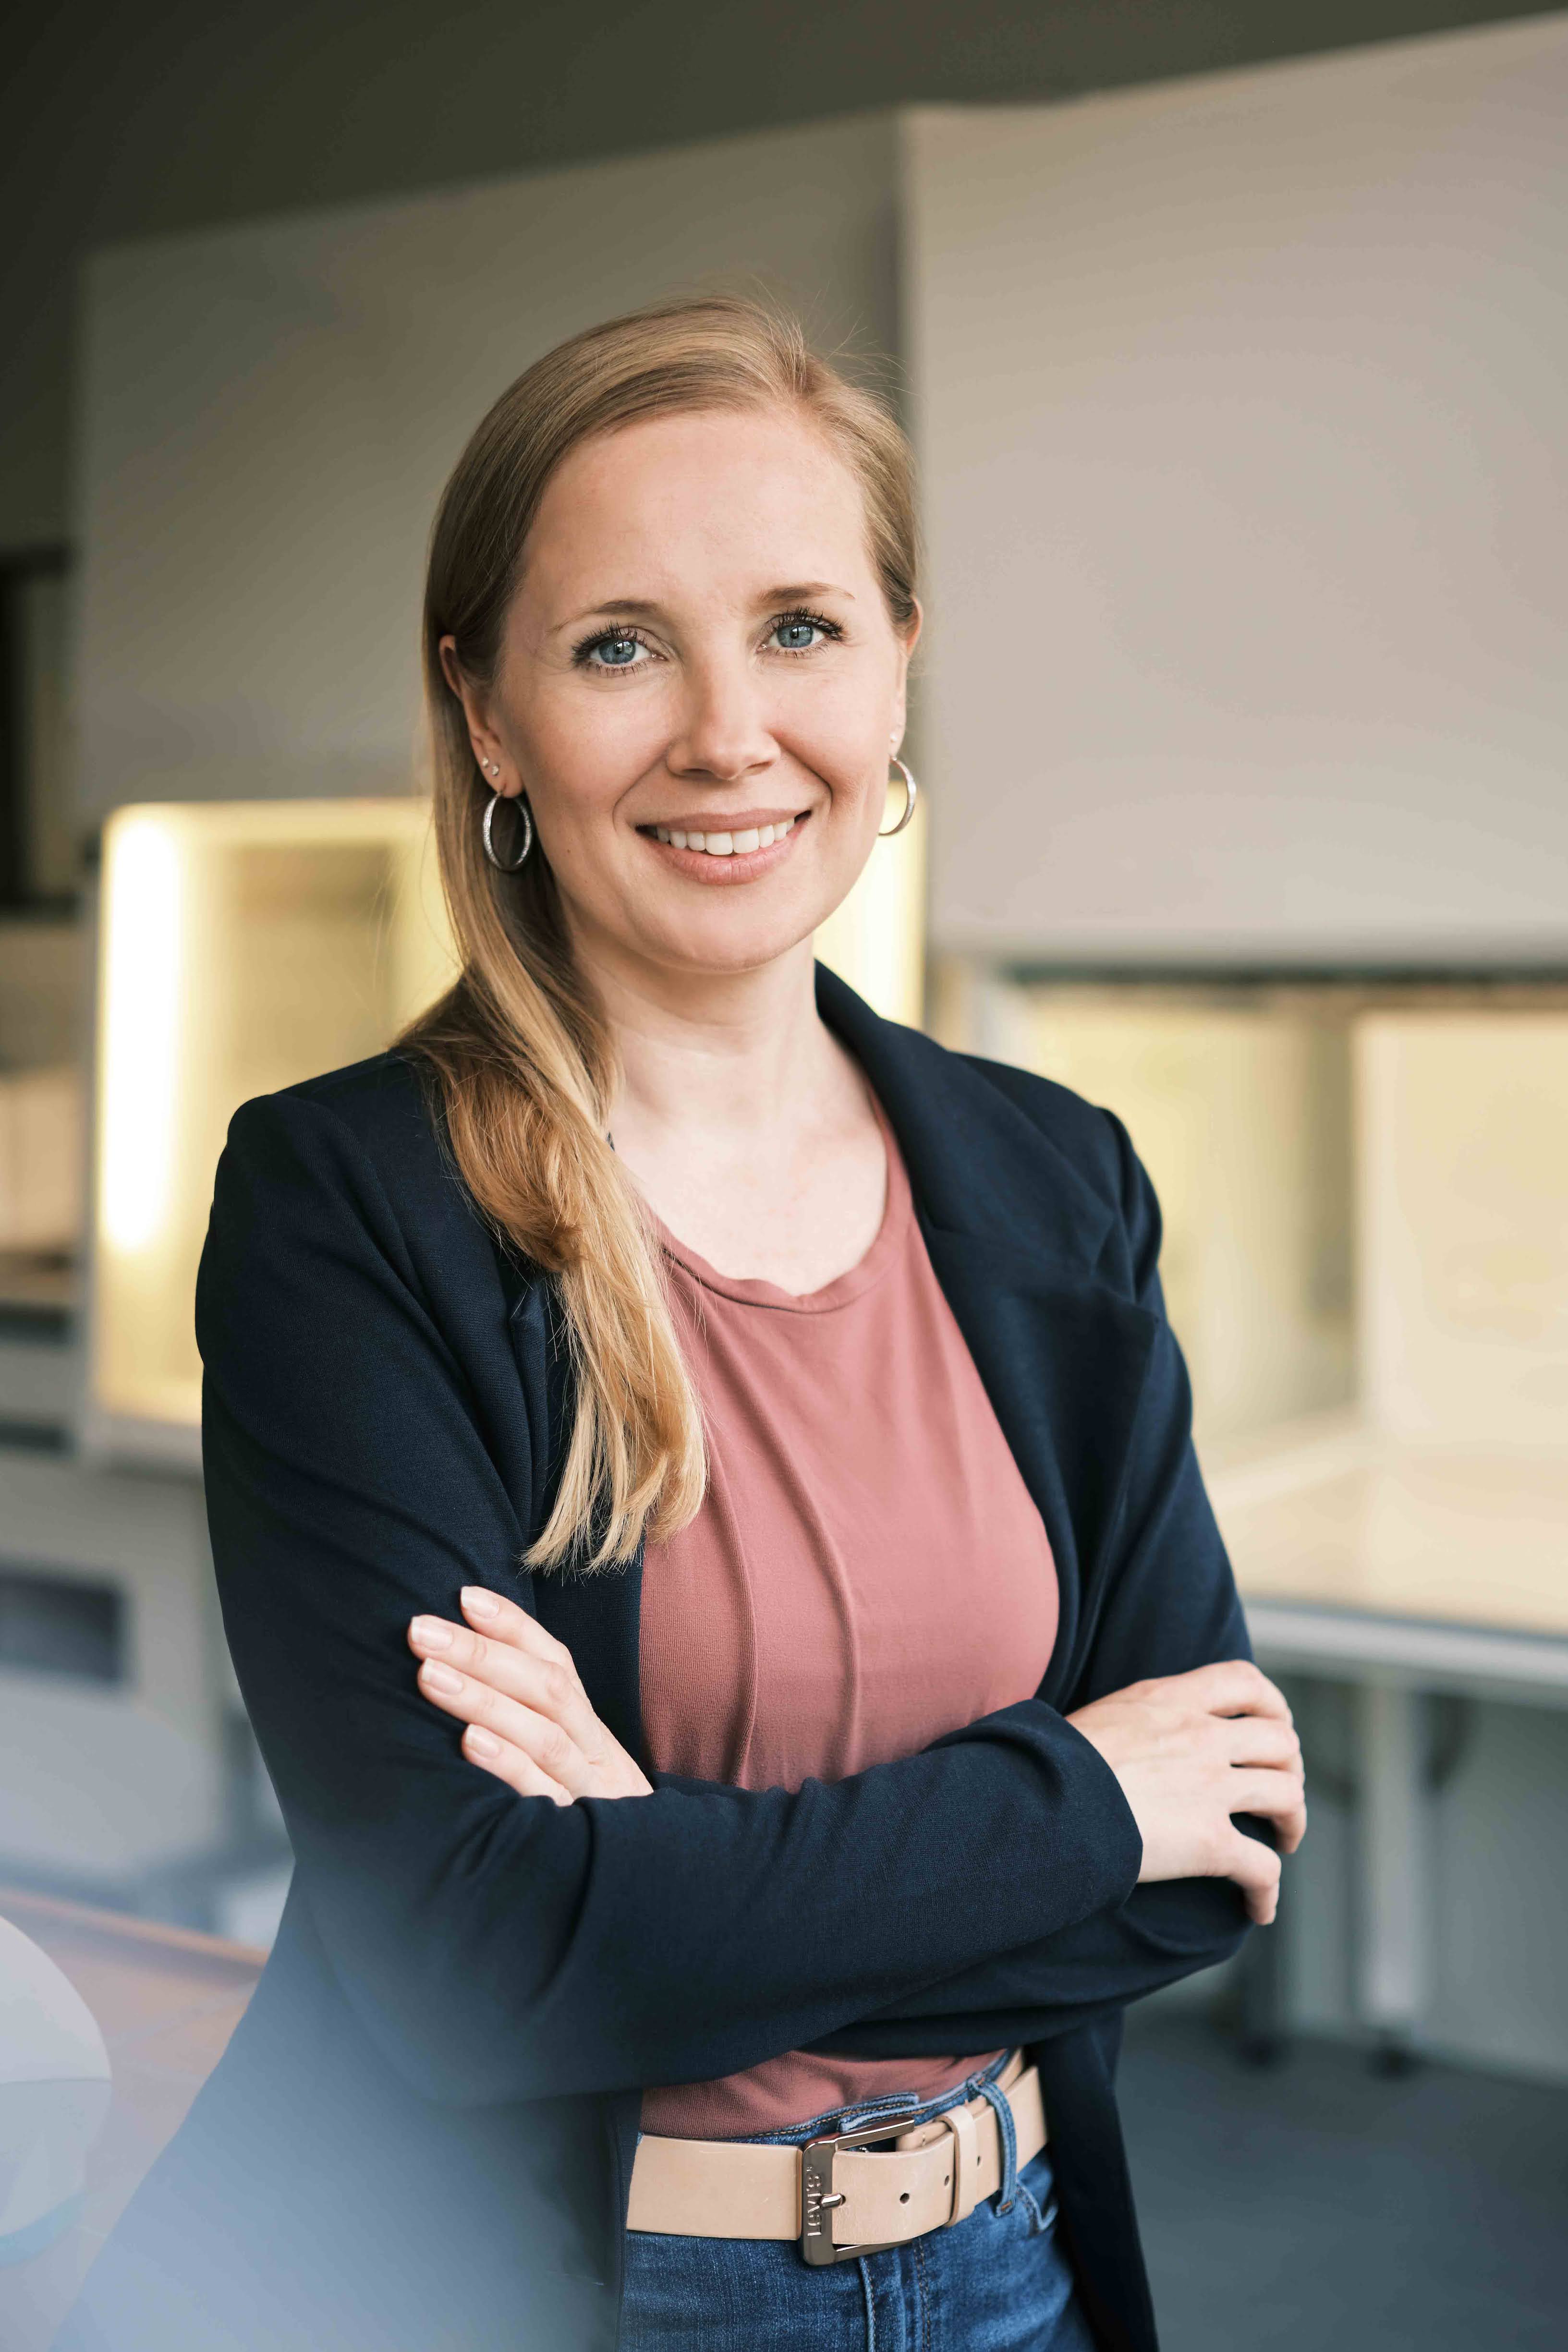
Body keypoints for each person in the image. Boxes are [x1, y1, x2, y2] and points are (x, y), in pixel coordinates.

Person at [57, 295, 1305, 2352]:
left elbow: (1227, 1841)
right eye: (619, 642)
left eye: (803, 626)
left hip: (1018, 2270)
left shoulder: (1049, 1170)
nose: (729, 731)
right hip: (576, 2288)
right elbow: (473, 1955)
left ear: (898, 659)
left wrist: (657, 1881)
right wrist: (1072, 1801)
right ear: (487, 711)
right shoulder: (353, 1206)